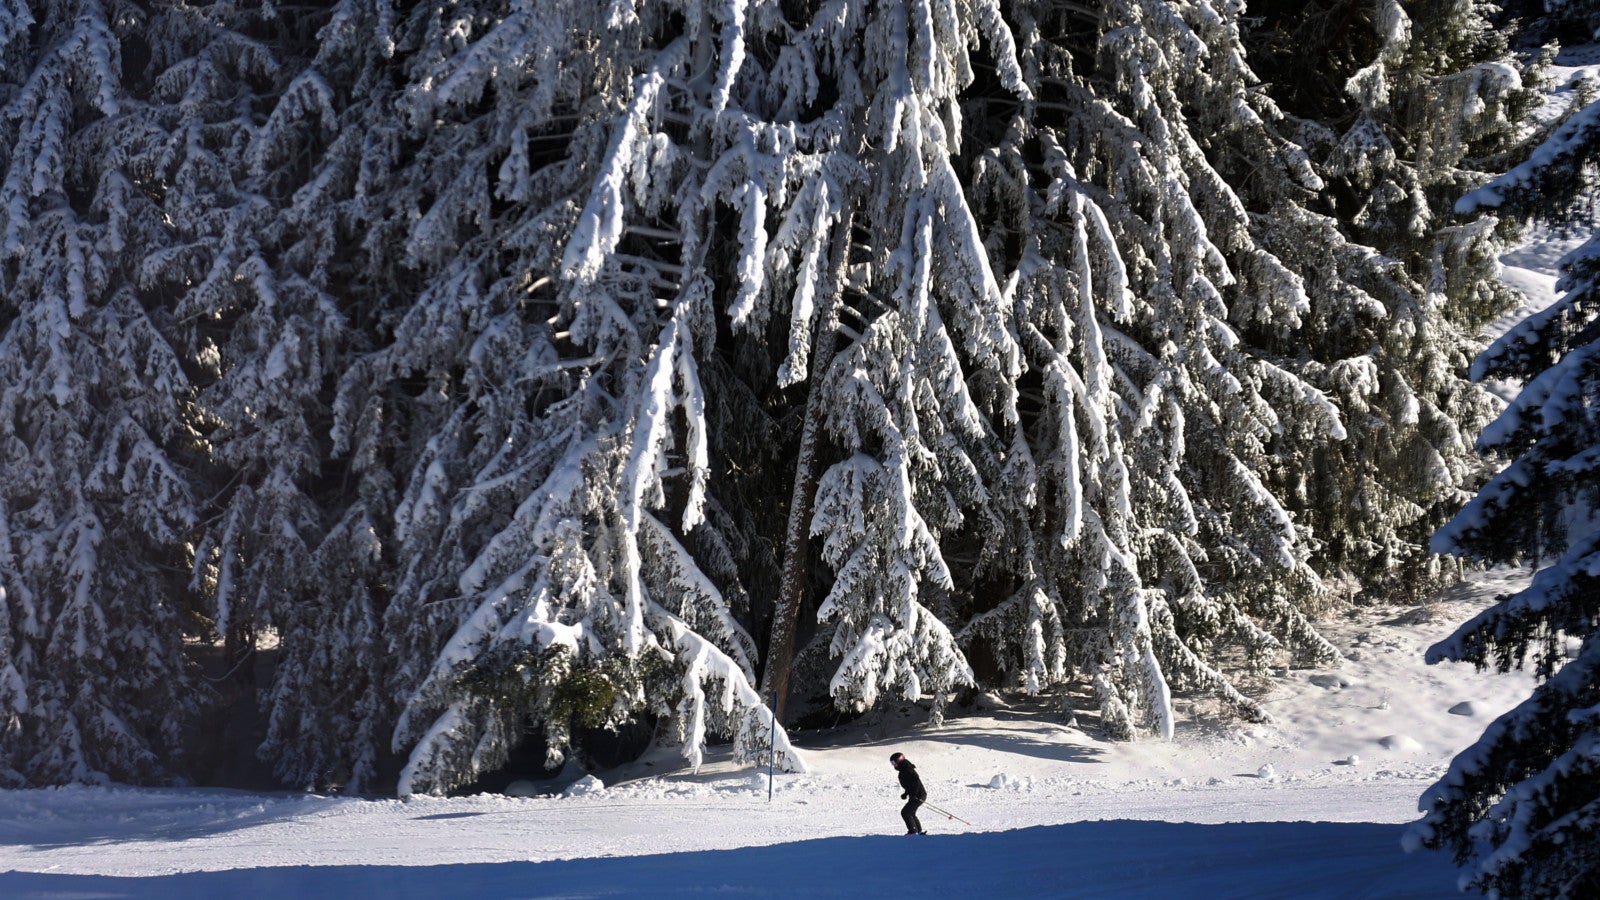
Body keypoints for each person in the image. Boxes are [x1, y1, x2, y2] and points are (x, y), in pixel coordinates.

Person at [889, 752, 926, 834]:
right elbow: (910, 784)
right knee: (910, 813)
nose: (893, 765)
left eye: (894, 762)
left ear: (899, 761)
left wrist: (914, 794)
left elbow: (916, 782)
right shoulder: (904, 769)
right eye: (892, 763)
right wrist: (906, 793)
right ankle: (918, 831)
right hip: (917, 795)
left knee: (906, 813)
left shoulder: (907, 769)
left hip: (918, 795)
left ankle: (913, 831)